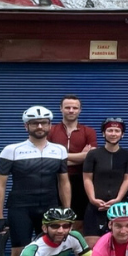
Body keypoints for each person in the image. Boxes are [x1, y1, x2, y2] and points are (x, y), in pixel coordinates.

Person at [0, 106, 70, 256]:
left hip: (49, 206)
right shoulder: (11, 150)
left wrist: (67, 210)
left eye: (44, 123)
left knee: (49, 252)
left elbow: (63, 181)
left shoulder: (59, 150)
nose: (40, 127)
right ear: (26, 126)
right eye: (34, 123)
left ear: (50, 125)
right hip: (21, 207)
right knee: (18, 252)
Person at [82, 117, 128, 247]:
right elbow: (87, 178)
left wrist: (118, 199)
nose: (113, 134)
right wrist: (93, 199)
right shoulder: (93, 154)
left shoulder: (127, 155)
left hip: (119, 206)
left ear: (122, 134)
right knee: (92, 245)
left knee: (120, 243)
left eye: (117, 131)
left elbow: (127, 179)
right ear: (103, 133)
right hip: (96, 204)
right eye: (110, 130)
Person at [48, 95, 96, 233]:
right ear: (61, 109)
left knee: (78, 222)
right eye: (67, 107)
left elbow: (89, 156)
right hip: (54, 180)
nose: (71, 110)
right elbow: (48, 156)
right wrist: (80, 156)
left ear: (80, 110)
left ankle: (76, 251)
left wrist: (59, 157)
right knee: (54, 221)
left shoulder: (89, 132)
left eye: (74, 108)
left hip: (80, 180)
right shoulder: (51, 130)